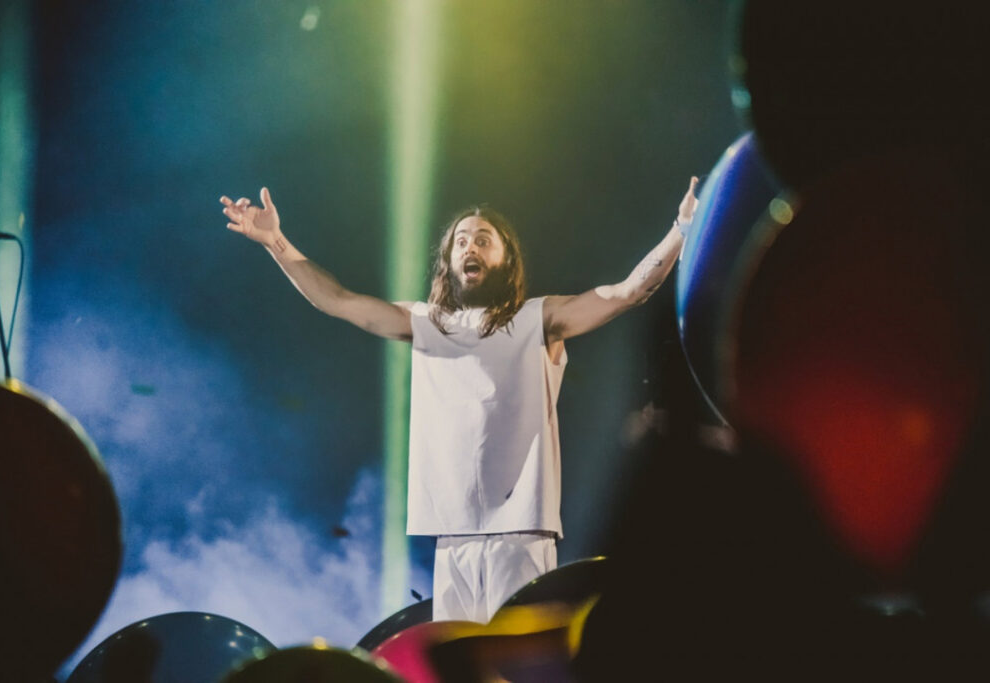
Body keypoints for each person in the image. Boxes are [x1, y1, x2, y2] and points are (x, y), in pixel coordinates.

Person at [219, 179, 698, 622]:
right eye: (462, 240)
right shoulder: (425, 323)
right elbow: (338, 300)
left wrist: (680, 231)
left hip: (521, 533)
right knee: (462, 665)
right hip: (452, 538)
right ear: (448, 261)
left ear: (507, 258)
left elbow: (627, 292)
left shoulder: (538, 319)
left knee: (515, 665)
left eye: (484, 239)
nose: (471, 246)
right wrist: (276, 243)